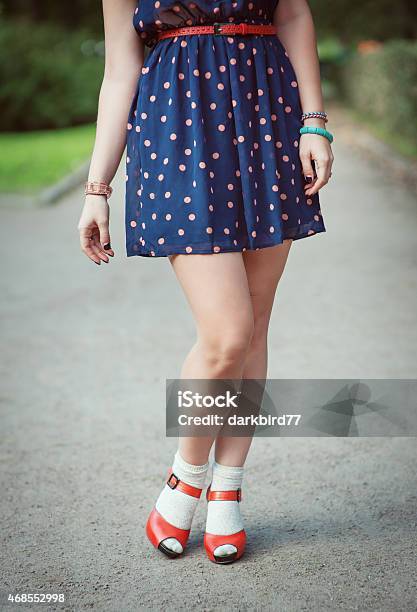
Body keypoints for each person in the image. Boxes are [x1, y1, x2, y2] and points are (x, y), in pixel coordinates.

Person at [77, 0, 334, 564]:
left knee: (256, 323)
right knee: (227, 332)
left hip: (268, 112)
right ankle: (186, 476)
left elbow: (291, 14)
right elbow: (121, 70)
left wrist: (315, 123)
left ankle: (228, 485)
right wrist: (98, 189)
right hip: (178, 130)